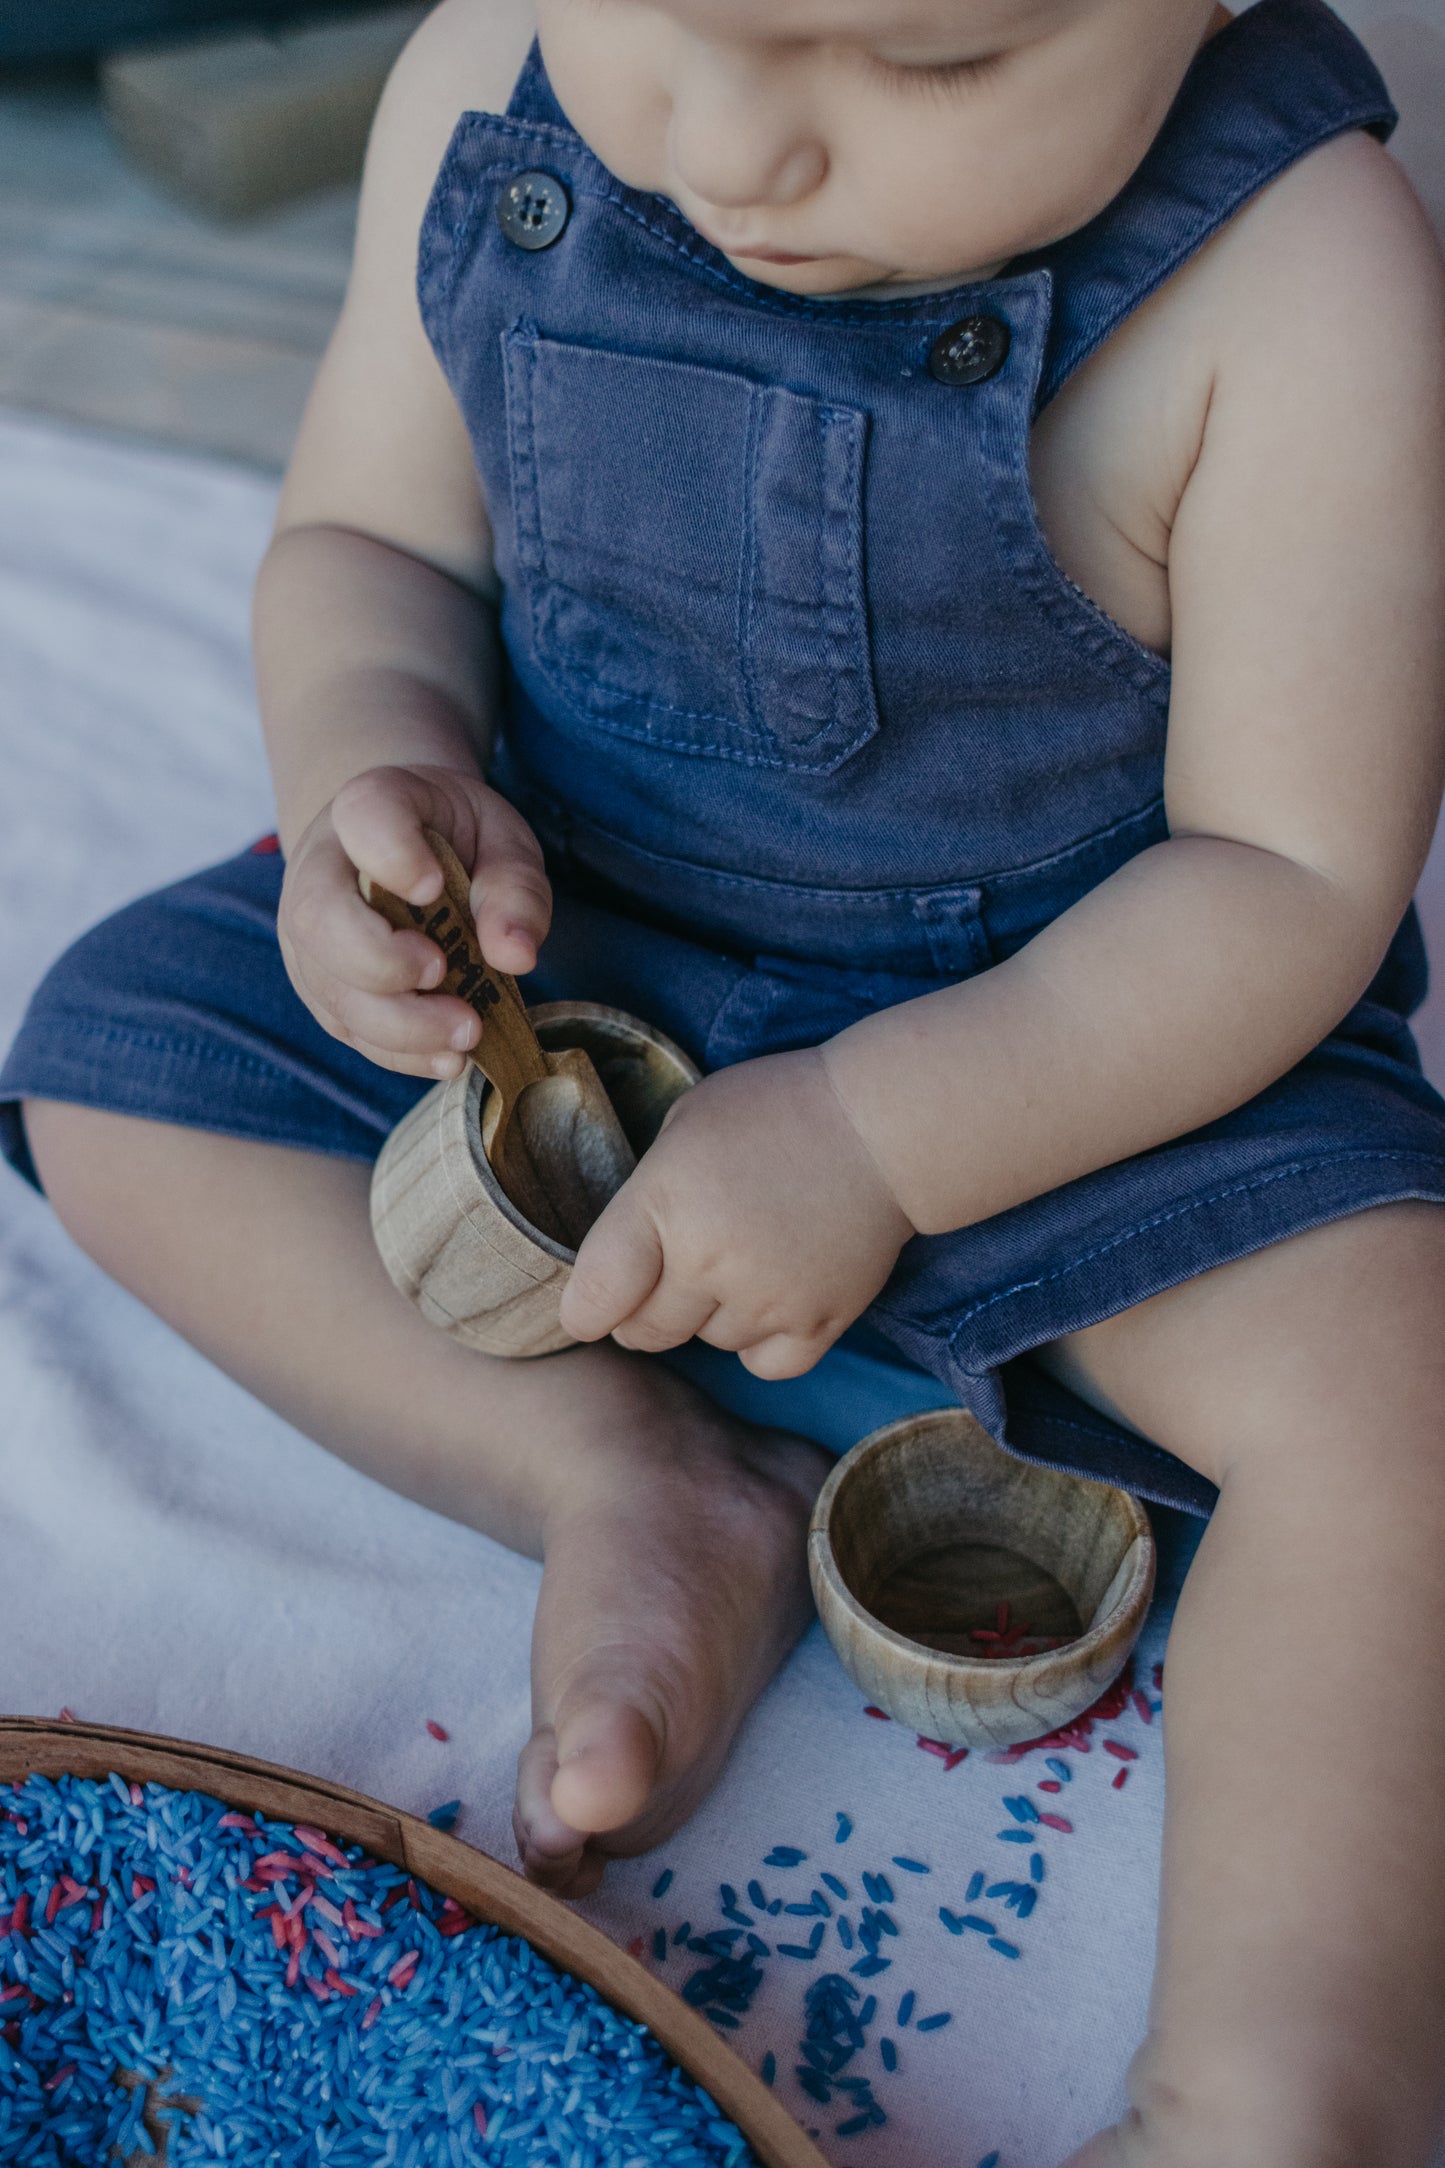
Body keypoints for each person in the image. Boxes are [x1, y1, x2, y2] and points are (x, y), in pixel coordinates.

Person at [5, 0, 1445, 2156]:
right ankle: (633, 1482)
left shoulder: (1304, 279)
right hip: (588, 958)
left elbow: (1290, 875)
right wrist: (370, 777)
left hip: (1090, 1050)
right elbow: (371, 548)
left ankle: (1276, 2082)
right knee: (119, 1069)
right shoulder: (484, 92)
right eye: (670, 21)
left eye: (930, 70)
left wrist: (880, 1131)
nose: (752, 149)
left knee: (1399, 1395)